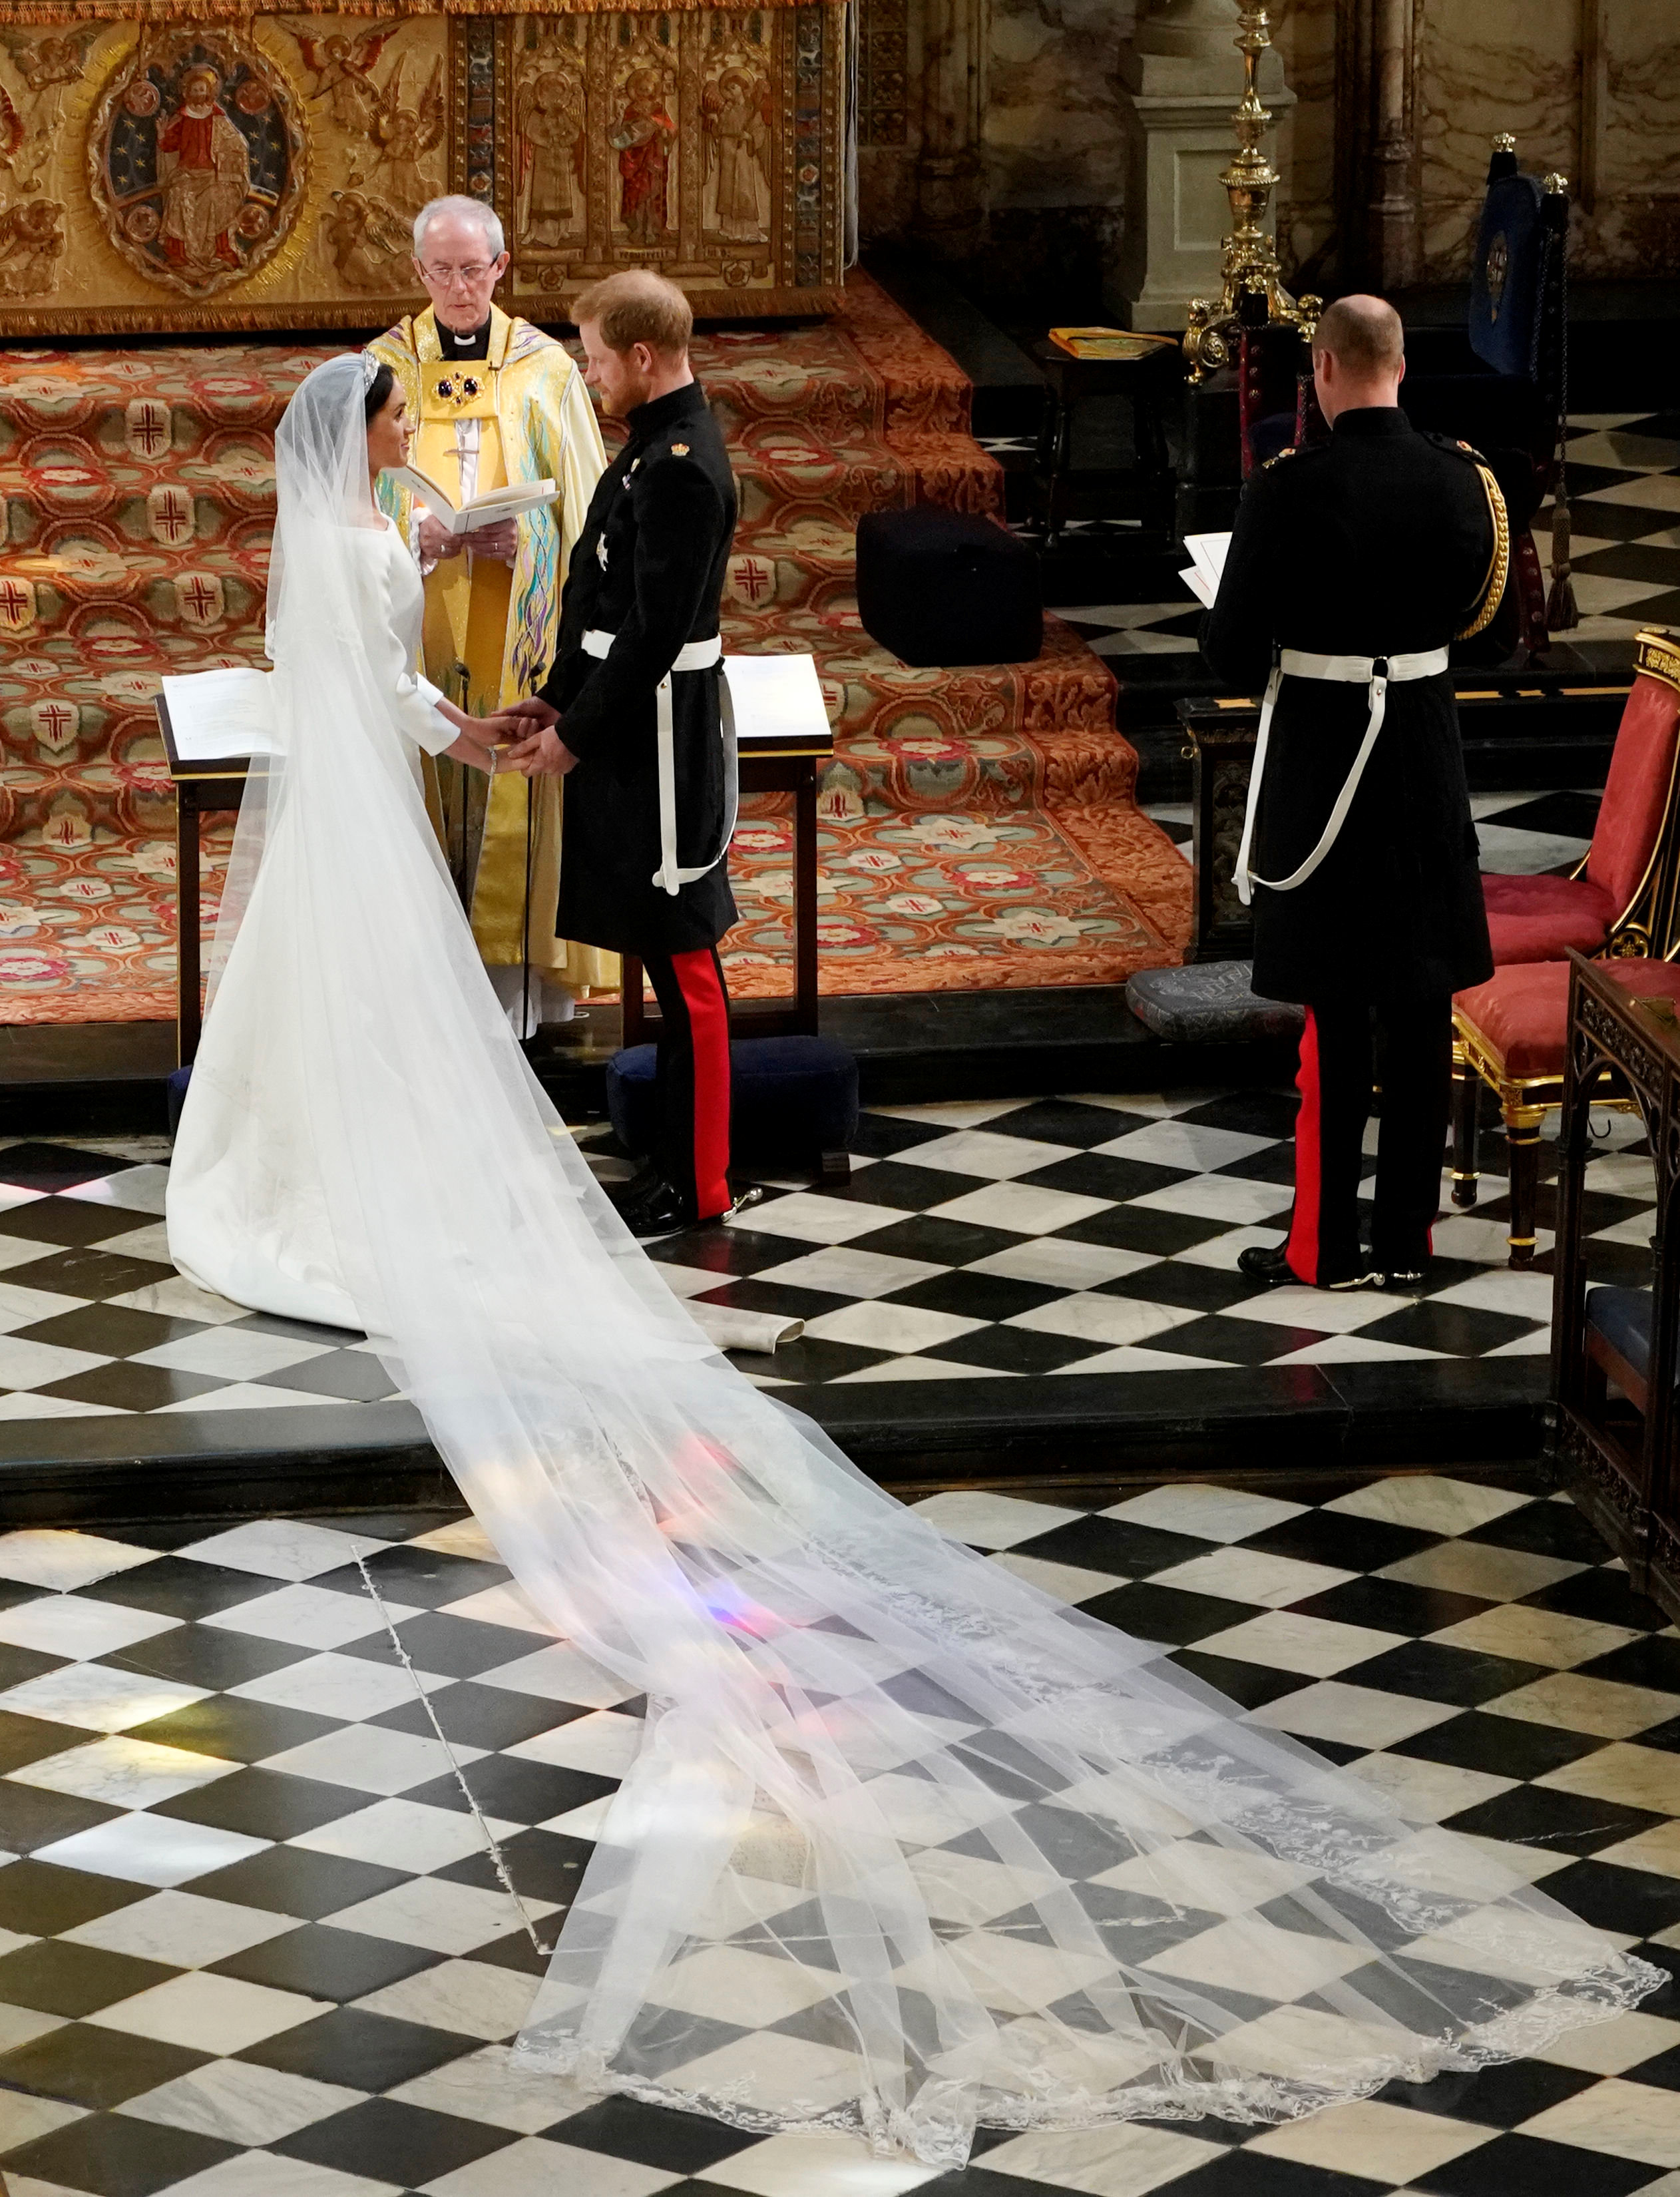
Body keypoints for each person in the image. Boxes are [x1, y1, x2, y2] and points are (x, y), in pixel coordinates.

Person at [166, 346, 1657, 2172]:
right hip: (1399, 769)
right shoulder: (1456, 484)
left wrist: (480, 722)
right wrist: (478, 721)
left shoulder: (367, 519)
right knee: (1381, 1031)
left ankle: (302, 1167)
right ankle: (1389, 1231)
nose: (410, 416)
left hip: (379, 798)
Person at [1201, 294, 1507, 1292]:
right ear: (1402, 366)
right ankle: (1408, 1249)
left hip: (1325, 758)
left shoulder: (1288, 488)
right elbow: (1488, 631)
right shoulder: (1466, 480)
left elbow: (1233, 651)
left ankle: (1324, 1248)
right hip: (1423, 754)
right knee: (1421, 1007)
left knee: (1336, 1017)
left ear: (1324, 369)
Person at [503, 270, 739, 1242]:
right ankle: (678, 1163)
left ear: (643, 357)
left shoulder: (681, 462)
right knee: (657, 950)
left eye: (598, 357)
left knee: (684, 963)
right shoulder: (650, 446)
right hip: (625, 725)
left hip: (660, 739)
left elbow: (652, 632)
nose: (591, 375)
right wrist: (556, 697)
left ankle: (704, 1180)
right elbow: (596, 601)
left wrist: (574, 734)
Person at [367, 193, 610, 1029]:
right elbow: (354, 495)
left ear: (501, 267)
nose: (460, 287)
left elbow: (585, 508)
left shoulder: (545, 369)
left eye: (474, 270)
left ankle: (521, 999)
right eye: (442, 270)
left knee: (515, 777)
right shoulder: (383, 367)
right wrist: (416, 533)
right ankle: (422, 993)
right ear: (417, 271)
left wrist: (533, 539)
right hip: (423, 613)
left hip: (521, 625)